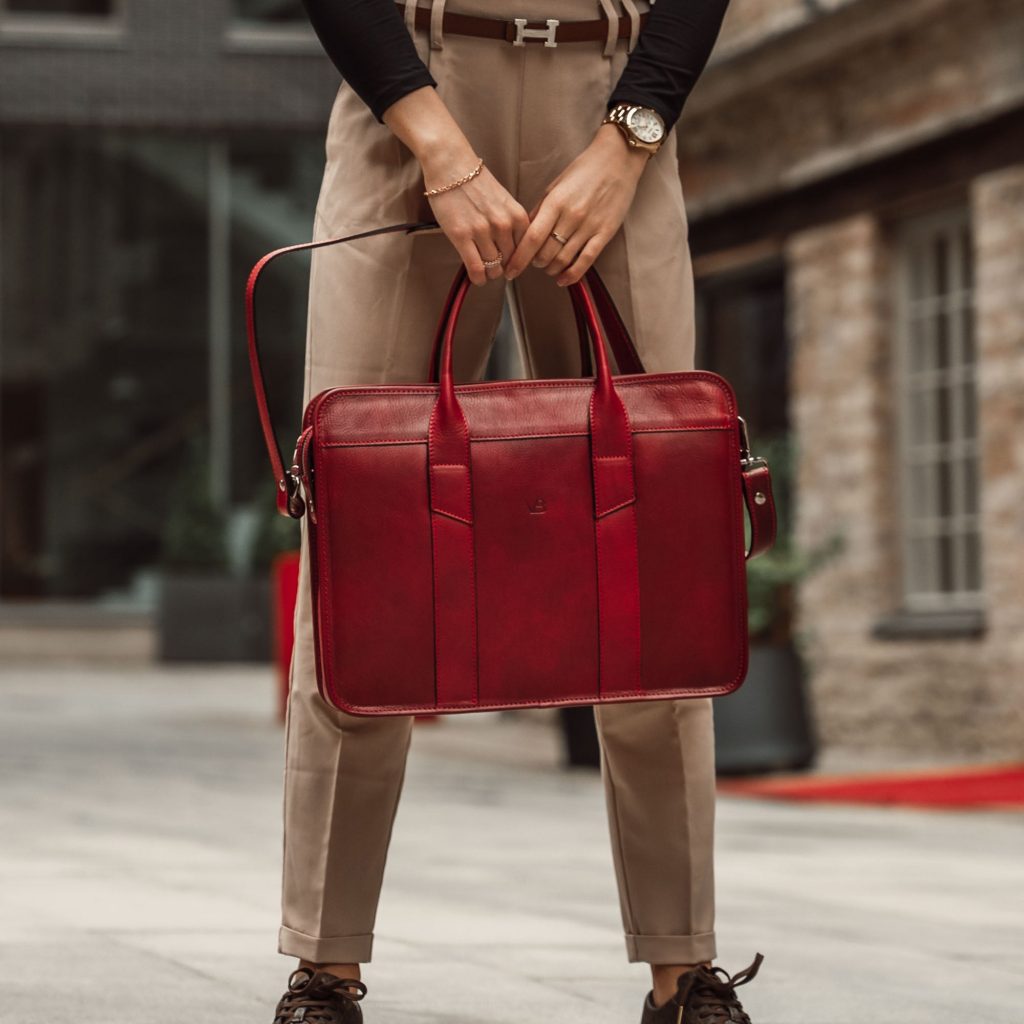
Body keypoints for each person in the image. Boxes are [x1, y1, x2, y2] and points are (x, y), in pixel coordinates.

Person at [271, 1, 765, 1022]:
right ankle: (324, 964)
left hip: (613, 96)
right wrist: (439, 148)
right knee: (359, 547)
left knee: (656, 539)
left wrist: (630, 138)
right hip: (412, 85)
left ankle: (683, 969)